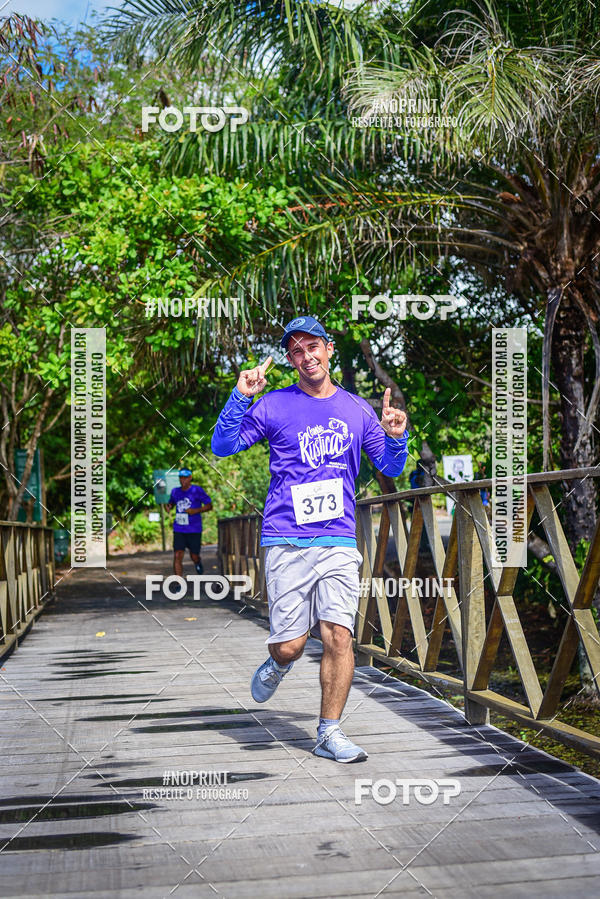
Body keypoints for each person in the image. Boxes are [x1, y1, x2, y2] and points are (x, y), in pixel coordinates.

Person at [211, 315, 409, 763]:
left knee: (339, 635)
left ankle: (328, 732)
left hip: (338, 539)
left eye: (312, 346)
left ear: (329, 349)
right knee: (291, 644)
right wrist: (241, 396)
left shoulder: (357, 409)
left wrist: (397, 437)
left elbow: (391, 466)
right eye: (296, 351)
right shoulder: (274, 404)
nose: (306, 356)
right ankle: (279, 661)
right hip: (286, 538)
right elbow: (223, 446)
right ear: (290, 360)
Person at [166, 468, 212, 576]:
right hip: (179, 528)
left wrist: (195, 511)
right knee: (177, 555)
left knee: (194, 555)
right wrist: (168, 506)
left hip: (194, 529)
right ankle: (179, 582)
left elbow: (209, 506)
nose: (183, 480)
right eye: (181, 478)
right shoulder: (175, 491)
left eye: (185, 478)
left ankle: (197, 562)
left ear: (190, 478)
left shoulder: (197, 490)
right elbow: (171, 503)